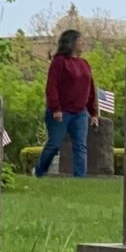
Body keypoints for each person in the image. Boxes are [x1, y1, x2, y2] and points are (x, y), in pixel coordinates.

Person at [33, 30, 95, 179]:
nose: (83, 44)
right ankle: (39, 172)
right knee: (54, 144)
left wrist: (93, 113)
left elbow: (90, 89)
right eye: (80, 41)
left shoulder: (84, 64)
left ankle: (80, 177)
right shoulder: (59, 62)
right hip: (61, 111)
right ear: (71, 43)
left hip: (80, 112)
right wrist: (55, 108)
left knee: (80, 146)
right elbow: (52, 86)